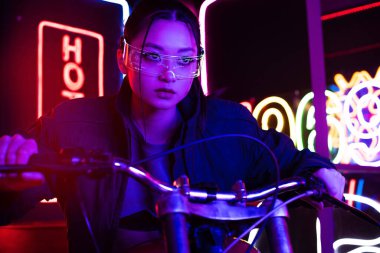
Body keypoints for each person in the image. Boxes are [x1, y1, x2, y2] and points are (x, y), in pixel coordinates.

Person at [0, 0, 345, 252]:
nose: (169, 74)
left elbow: (284, 158)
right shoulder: (73, 123)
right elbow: (13, 189)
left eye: (184, 60)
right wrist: (13, 183)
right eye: (152, 56)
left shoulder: (228, 124)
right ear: (122, 55)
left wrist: (320, 170)